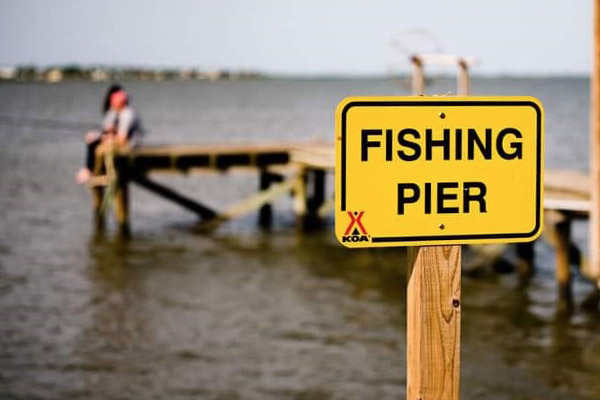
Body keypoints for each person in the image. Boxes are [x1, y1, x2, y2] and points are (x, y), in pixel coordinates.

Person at [76, 85, 144, 184]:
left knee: (96, 144)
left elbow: (123, 139)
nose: (111, 104)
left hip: (130, 146)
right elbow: (107, 129)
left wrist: (107, 138)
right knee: (93, 140)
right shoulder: (114, 113)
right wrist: (98, 134)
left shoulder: (128, 114)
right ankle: (91, 170)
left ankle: (91, 170)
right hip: (121, 143)